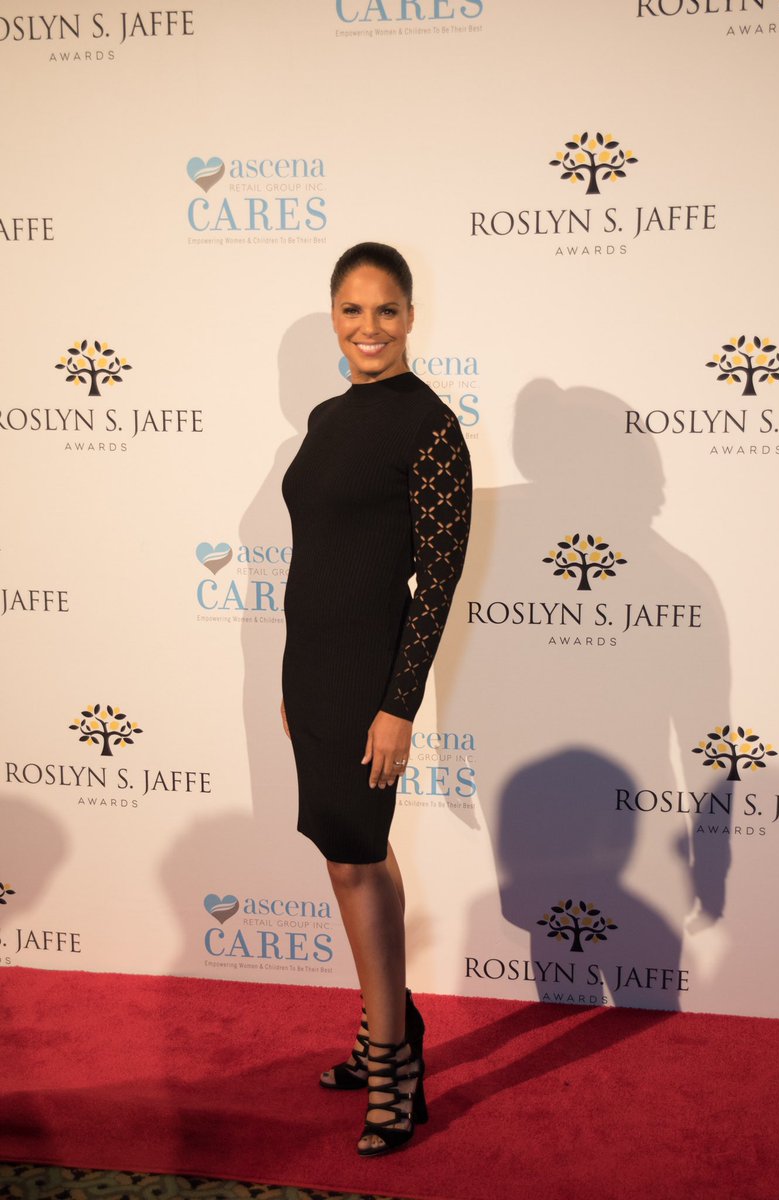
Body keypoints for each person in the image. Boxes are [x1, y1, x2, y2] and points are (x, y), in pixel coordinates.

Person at [280, 242, 472, 1156]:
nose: (369, 327)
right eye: (352, 311)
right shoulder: (325, 417)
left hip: (370, 681)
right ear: (334, 316)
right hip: (310, 673)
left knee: (356, 859)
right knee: (349, 853)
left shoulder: (430, 427)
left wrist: (398, 706)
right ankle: (381, 1023)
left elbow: (435, 584)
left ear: (410, 318)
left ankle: (396, 1063)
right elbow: (318, 557)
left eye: (386, 310)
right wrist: (291, 679)